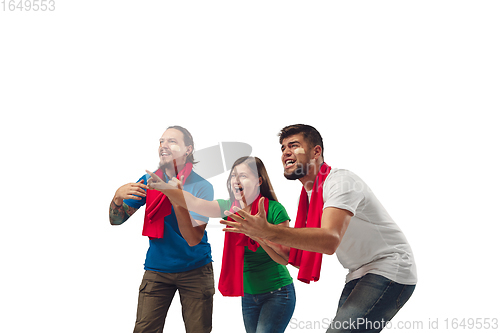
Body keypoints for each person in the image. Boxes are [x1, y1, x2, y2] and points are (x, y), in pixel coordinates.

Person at [220, 124, 417, 333]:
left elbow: (329, 240)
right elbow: (293, 255)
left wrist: (267, 230)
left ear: (316, 151)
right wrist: (259, 235)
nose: (286, 152)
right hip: (358, 272)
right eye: (283, 147)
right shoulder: (308, 196)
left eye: (294, 146)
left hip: (390, 267)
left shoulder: (340, 181)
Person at [147, 156, 296, 333]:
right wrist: (168, 189)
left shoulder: (274, 210)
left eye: (243, 176)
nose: (236, 180)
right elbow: (195, 203)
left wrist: (258, 234)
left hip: (278, 293)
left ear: (258, 181)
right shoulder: (229, 208)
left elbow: (285, 258)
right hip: (248, 294)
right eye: (233, 176)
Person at [109, 125, 215, 333]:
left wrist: (177, 198)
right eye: (161, 141)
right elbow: (117, 220)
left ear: (188, 149)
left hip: (195, 269)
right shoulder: (149, 182)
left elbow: (193, 238)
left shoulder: (202, 187)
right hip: (158, 268)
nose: (163, 146)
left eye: (172, 141)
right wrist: (117, 198)